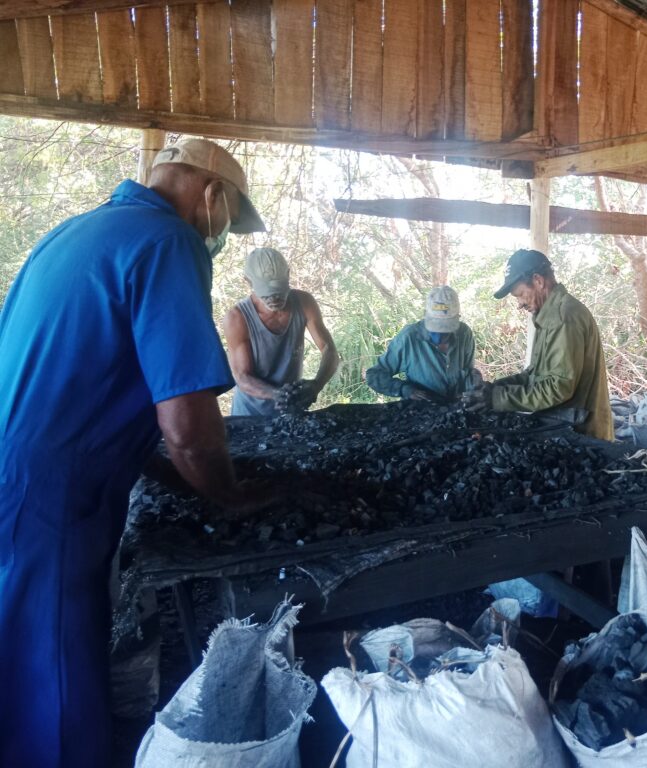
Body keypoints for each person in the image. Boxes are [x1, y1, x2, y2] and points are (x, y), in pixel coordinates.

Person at [0, 138, 268, 767]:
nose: (219, 234)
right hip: (50, 495)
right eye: (228, 219)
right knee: (53, 669)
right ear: (213, 195)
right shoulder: (169, 241)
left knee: (15, 645)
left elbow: (89, 390)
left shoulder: (76, 232)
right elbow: (187, 424)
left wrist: (173, 475)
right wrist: (230, 495)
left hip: (18, 472)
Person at [471, 248, 613, 441]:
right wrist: (494, 389)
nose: (520, 304)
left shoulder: (563, 317)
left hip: (581, 433)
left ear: (538, 281)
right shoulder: (548, 315)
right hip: (565, 426)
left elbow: (558, 388)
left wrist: (497, 398)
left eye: (520, 294)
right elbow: (534, 376)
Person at [224, 247, 339, 416]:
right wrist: (276, 394)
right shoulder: (236, 318)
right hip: (249, 413)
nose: (274, 299)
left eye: (279, 292)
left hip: (290, 410)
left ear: (288, 275)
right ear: (248, 282)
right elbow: (243, 377)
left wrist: (317, 384)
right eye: (266, 295)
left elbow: (329, 350)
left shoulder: (304, 302)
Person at [366, 285, 477, 403]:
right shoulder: (408, 338)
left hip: (457, 407)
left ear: (457, 319)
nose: (440, 334)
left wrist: (475, 386)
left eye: (445, 327)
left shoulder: (464, 334)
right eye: (436, 326)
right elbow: (374, 375)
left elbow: (469, 373)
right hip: (421, 409)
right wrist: (405, 390)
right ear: (426, 315)